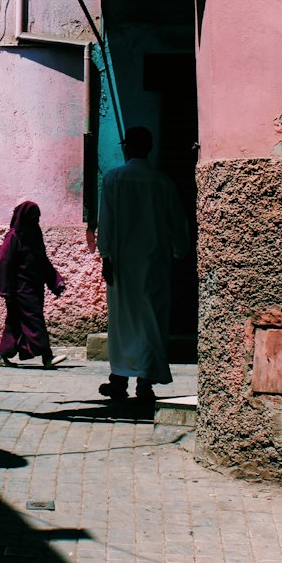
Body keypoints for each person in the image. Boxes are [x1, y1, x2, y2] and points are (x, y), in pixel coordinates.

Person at [97, 125, 189, 403]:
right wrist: (178, 251)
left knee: (123, 322)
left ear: (126, 147)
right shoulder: (162, 183)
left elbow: (107, 222)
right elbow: (178, 224)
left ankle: (120, 378)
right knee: (151, 320)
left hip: (123, 262)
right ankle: (144, 382)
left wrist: (105, 257)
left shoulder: (114, 180)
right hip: (155, 263)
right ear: (149, 148)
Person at [0, 201, 66, 368]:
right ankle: (47, 356)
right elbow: (4, 261)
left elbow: (42, 261)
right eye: (33, 217)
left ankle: (1, 354)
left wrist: (56, 280)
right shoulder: (14, 236)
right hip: (20, 289)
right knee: (34, 320)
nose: (35, 221)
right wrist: (2, 288)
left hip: (34, 286)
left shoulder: (34, 236)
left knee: (15, 322)